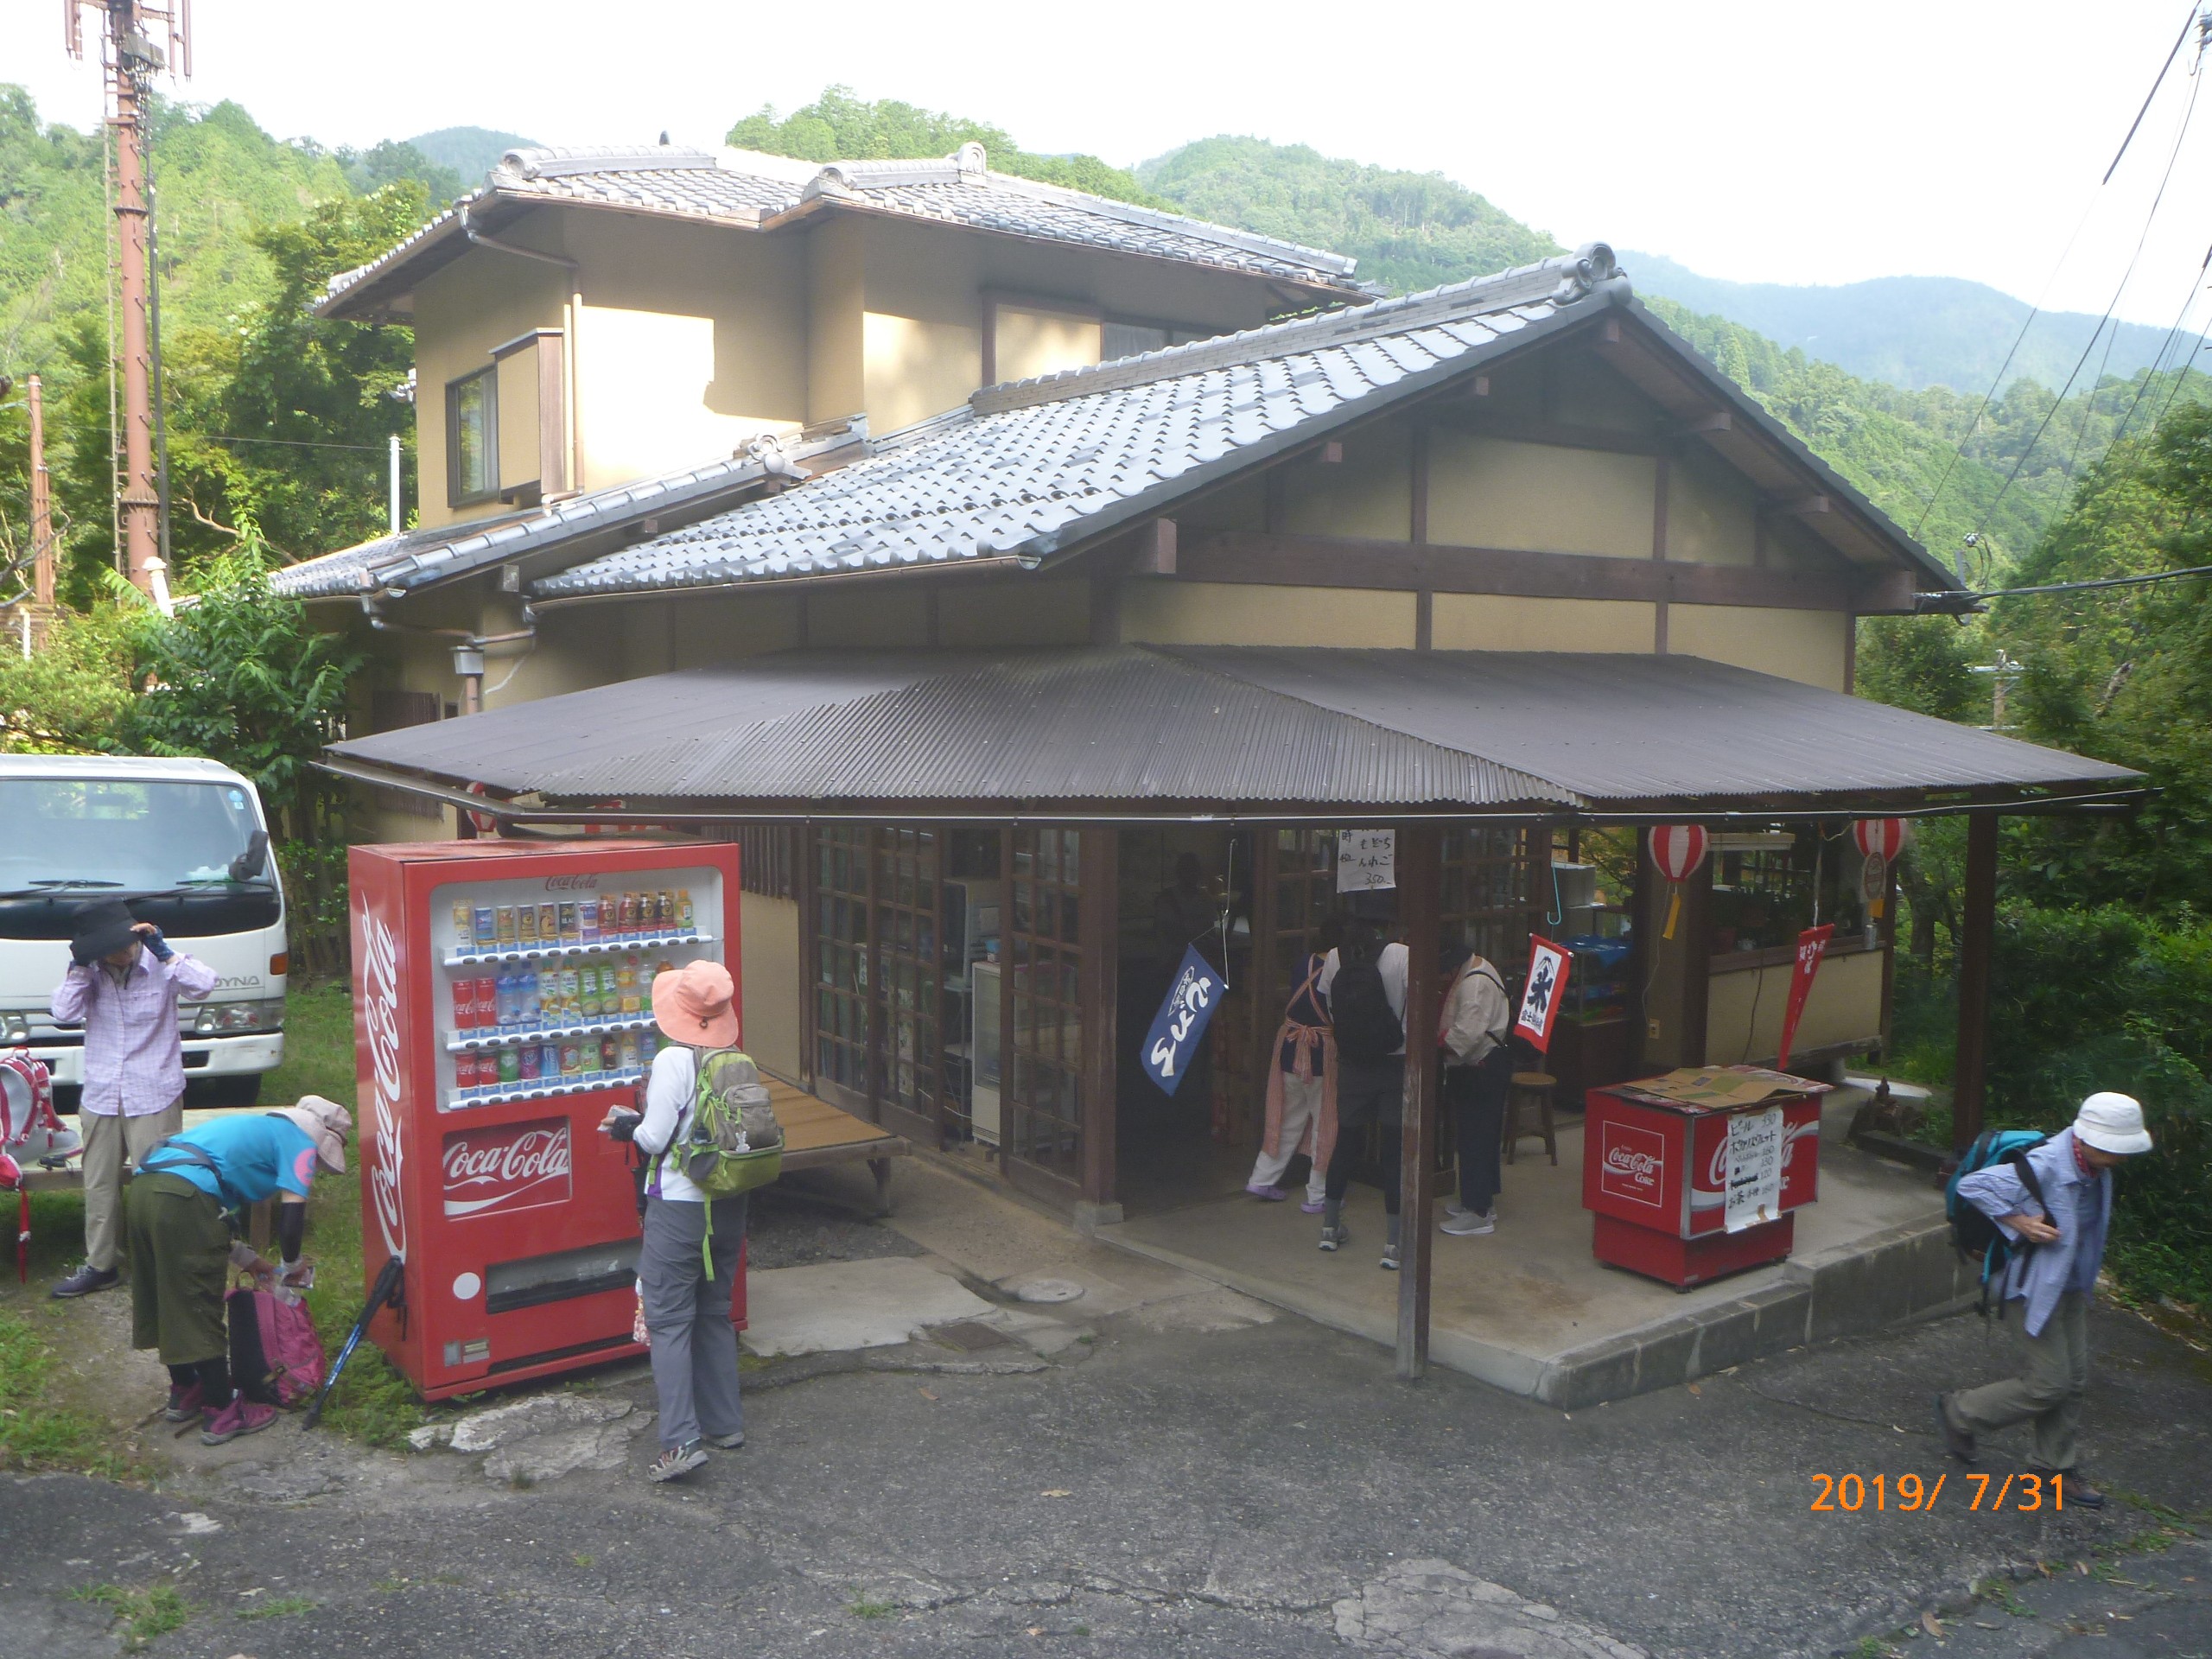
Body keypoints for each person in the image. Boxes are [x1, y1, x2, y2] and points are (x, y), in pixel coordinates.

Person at [1934, 1092, 2157, 1510]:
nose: (2120, 1158)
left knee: (2073, 1381)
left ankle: (2052, 1468)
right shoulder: (2047, 1164)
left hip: (2069, 1283)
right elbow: (1973, 1184)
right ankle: (1959, 1411)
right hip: (2030, 1286)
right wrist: (2019, 1221)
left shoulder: (2094, 1167)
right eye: (2115, 1149)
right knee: (2049, 1384)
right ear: (2089, 1140)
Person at [125, 1095, 351, 1445]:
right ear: (322, 1137)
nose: (317, 1166)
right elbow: (291, 1222)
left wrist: (252, 1262)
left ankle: (186, 1389)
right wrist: (292, 1267)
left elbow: (212, 1212)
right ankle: (222, 1409)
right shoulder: (301, 1144)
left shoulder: (255, 1129)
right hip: (184, 1198)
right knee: (199, 1303)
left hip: (144, 1189)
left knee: (164, 1293)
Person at [601, 958, 749, 1484]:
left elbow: (655, 1138)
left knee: (667, 1321)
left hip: (680, 1209)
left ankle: (681, 1442)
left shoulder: (673, 1061)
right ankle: (725, 1424)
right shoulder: (731, 1055)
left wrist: (625, 1128)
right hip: (729, 1204)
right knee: (714, 1311)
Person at [50, 899, 218, 1299]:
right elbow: (62, 1012)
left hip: (154, 1092)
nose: (120, 953)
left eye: (124, 943)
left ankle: (164, 1266)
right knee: (99, 1184)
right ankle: (101, 1265)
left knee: (159, 1185)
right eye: (107, 947)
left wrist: (167, 951)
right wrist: (78, 968)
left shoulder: (163, 962)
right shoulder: (89, 973)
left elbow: (205, 984)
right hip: (102, 1093)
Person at [1315, 910, 1409, 1269]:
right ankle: (1393, 1244)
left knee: (1346, 1142)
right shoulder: (1403, 955)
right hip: (1394, 1062)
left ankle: (1329, 1227)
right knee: (1393, 1150)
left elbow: (1330, 1008)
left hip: (1352, 1062)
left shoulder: (1336, 956)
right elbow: (1412, 1012)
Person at [1246, 921, 1338, 1212]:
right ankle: (1318, 1194)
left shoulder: (1304, 962)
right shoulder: (1337, 970)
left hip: (1290, 1047)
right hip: (1321, 1052)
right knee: (1324, 1122)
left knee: (1286, 1117)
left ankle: (1262, 1178)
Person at [1436, 944, 1513, 1237]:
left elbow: (1466, 1036)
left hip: (1482, 1065)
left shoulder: (1474, 984)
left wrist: (1440, 1042)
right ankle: (1482, 1200)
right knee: (1481, 1135)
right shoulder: (1479, 968)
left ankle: (1478, 1211)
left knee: (1475, 1137)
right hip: (1489, 1062)